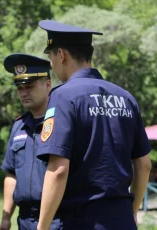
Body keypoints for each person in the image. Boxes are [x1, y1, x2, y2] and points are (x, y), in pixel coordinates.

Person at [35, 20, 152, 230]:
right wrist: (132, 211)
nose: (51, 65)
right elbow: (144, 165)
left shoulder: (63, 96)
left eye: (51, 57)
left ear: (61, 54)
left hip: (82, 221)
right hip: (123, 221)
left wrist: (42, 227)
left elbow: (59, 170)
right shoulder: (126, 97)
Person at [0, 53, 62, 230]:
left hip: (58, 219)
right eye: (19, 88)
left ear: (48, 84)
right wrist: (6, 218)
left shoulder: (62, 122)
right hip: (25, 220)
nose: (24, 92)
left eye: (30, 86)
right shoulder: (19, 126)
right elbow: (11, 174)